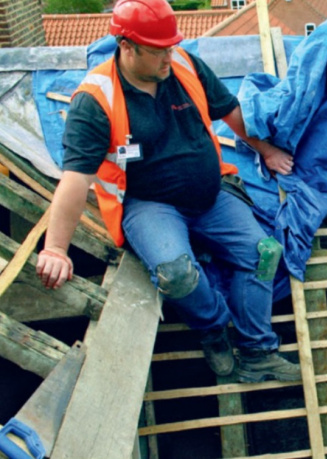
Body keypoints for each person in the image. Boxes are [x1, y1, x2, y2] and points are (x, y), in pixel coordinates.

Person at [35, 0, 301, 383]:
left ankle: (258, 350)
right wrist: (56, 249)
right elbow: (75, 181)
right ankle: (213, 328)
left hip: (211, 194)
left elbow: (230, 111)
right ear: (126, 46)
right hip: (149, 205)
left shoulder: (185, 66)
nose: (169, 57)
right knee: (176, 273)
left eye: (171, 46)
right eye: (158, 50)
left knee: (264, 252)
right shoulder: (95, 101)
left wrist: (267, 150)